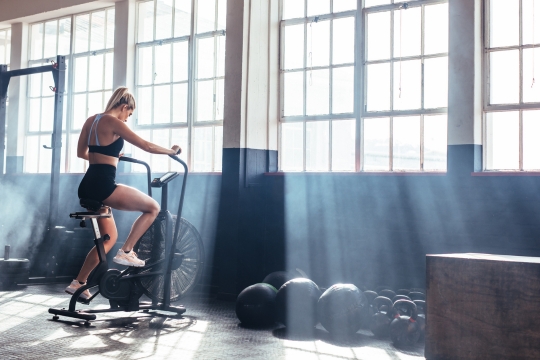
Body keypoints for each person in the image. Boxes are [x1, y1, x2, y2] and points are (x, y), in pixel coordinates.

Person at [65, 87, 181, 300]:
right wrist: (171, 152)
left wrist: (110, 153)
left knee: (108, 239)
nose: (127, 120)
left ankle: (78, 282)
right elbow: (146, 146)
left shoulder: (91, 121)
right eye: (129, 114)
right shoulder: (114, 122)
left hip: (88, 184)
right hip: (104, 184)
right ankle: (127, 251)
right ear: (124, 106)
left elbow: (82, 153)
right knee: (153, 207)